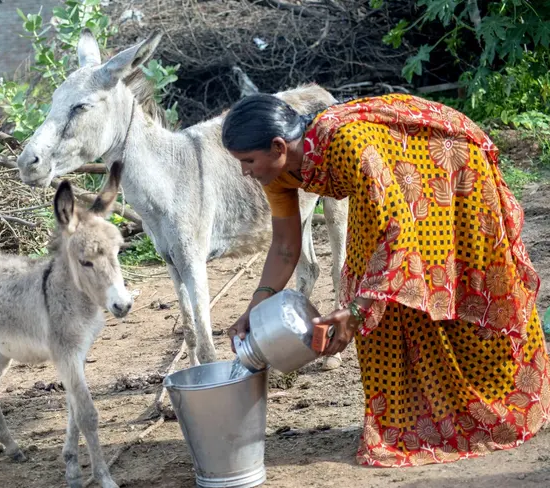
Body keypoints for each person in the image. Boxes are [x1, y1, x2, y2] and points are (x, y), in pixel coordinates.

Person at [222, 91, 550, 467]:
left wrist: (358, 312)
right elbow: (283, 246)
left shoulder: (348, 144)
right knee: (370, 278)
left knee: (460, 285)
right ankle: (415, 418)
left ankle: (503, 403)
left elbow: (397, 232)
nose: (245, 171)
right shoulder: (278, 172)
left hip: (451, 164)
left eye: (247, 160)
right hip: (395, 186)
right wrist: (256, 305)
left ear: (279, 145)